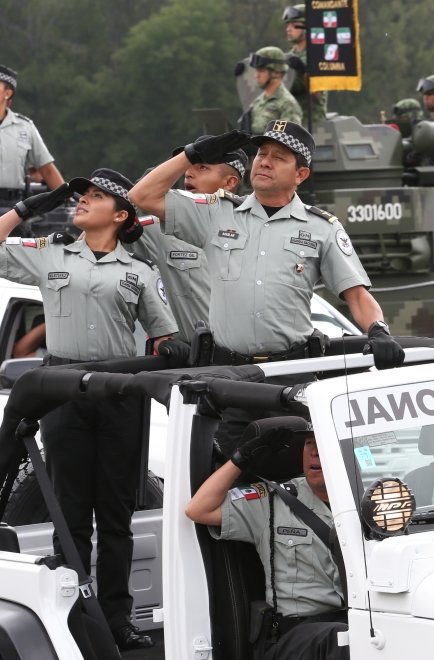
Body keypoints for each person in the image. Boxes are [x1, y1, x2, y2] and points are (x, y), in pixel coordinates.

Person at [129, 121, 404, 456]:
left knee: (292, 478)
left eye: (278, 157)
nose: (264, 161)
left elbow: (357, 295)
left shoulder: (322, 228)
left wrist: (378, 330)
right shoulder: (216, 213)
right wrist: (192, 154)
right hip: (229, 379)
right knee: (222, 487)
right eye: (261, 153)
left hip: (289, 378)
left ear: (301, 174)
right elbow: (141, 196)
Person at [0, 169, 178, 651]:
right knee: (70, 514)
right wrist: (31, 207)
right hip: (62, 389)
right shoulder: (52, 253)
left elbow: (163, 337)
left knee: (116, 512)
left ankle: (118, 618)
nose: (81, 202)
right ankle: (77, 616)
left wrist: (171, 351)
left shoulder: (140, 272)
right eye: (80, 196)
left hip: (121, 393)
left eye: (95, 197)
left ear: (120, 215)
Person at [185, 419, 349, 660]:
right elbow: (198, 510)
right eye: (308, 443)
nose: (314, 452)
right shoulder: (273, 501)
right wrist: (241, 460)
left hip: (355, 620)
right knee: (343, 639)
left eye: (323, 442)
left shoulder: (374, 502)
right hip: (293, 634)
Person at [135, 148, 248, 342]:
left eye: (202, 167)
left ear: (229, 182)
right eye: (188, 167)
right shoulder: (156, 229)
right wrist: (131, 205)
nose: (188, 173)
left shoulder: (253, 226)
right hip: (187, 360)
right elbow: (93, 248)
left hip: (246, 358)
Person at [0, 65, 64, 213]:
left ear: (7, 93)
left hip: (13, 207)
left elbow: (47, 169)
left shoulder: (25, 127)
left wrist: (66, 197)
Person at [283, 4, 328, 125]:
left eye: (294, 25)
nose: (289, 29)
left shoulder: (317, 55)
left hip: (313, 124)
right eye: (287, 25)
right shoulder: (287, 57)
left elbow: (316, 95)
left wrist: (303, 71)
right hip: (291, 122)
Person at [245, 48, 302, 134]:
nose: (256, 75)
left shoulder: (287, 104)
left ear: (277, 73)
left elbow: (287, 141)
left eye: (261, 70)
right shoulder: (257, 102)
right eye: (256, 70)